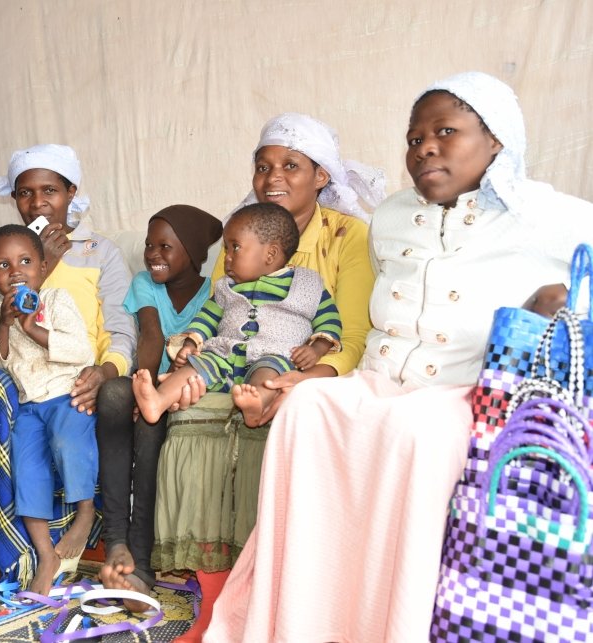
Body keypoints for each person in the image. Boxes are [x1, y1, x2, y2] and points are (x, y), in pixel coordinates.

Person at [204, 71, 593, 642]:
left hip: (465, 391)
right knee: (307, 410)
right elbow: (361, 323)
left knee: (420, 429)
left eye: (446, 132)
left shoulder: (553, 215)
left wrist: (556, 306)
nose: (425, 148)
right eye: (415, 138)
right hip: (380, 381)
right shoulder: (388, 217)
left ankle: (397, 624)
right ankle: (306, 622)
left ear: (497, 140)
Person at [152, 113, 384, 642]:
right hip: (232, 367)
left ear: (322, 175)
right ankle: (215, 608)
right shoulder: (241, 231)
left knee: (278, 425)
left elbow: (350, 335)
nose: (272, 177)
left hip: (307, 372)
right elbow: (216, 314)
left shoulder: (350, 236)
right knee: (191, 418)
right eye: (263, 166)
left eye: (290, 166)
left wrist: (308, 376)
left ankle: (274, 608)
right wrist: (189, 363)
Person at [0, 144, 136, 594]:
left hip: (74, 378)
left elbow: (122, 328)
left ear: (71, 192)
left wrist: (104, 372)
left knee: (53, 430)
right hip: (14, 382)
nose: (38, 202)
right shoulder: (7, 253)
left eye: (50, 190)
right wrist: (36, 263)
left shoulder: (100, 252)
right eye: (26, 193)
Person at [97, 204, 222, 611]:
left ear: (195, 251)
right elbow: (150, 336)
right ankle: (115, 540)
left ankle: (142, 564)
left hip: (187, 388)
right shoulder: (145, 283)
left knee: (152, 425)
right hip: (148, 380)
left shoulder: (217, 290)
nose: (153, 254)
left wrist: (156, 397)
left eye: (166, 247)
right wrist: (143, 384)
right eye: (150, 245)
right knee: (113, 395)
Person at [133, 203, 342, 427]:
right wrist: (191, 343)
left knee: (269, 375)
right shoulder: (225, 287)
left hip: (273, 354)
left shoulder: (307, 285)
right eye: (226, 249)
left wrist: (316, 349)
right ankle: (158, 400)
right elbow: (207, 318)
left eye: (235, 248)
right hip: (224, 353)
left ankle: (257, 405)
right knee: (195, 367)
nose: (227, 258)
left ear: (270, 254)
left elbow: (330, 321)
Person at [0, 223, 98, 596]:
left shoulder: (58, 300)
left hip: (67, 395)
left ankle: (85, 512)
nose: (16, 272)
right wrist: (5, 322)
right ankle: (45, 555)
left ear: (43, 265)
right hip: (28, 405)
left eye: (26, 261)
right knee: (25, 466)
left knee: (67, 441)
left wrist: (33, 329)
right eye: (3, 265)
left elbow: (82, 351)